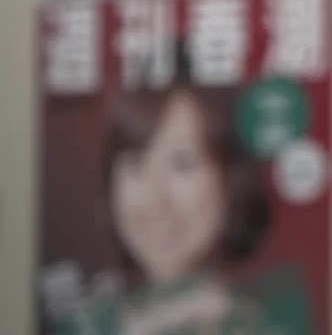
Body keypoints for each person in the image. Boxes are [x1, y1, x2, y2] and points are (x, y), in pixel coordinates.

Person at [58, 47, 278, 335]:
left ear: (232, 177)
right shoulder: (80, 326)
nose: (156, 201)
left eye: (182, 164)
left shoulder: (272, 323)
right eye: (136, 164)